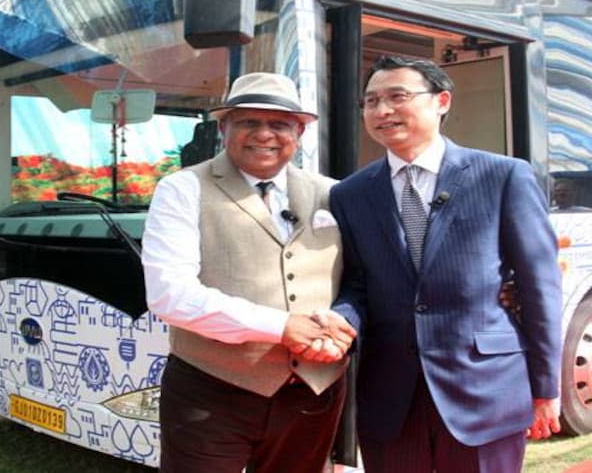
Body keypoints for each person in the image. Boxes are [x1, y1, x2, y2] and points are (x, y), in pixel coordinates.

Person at [325, 56, 563, 472]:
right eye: (371, 101)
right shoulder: (351, 193)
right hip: (391, 397)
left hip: (485, 389)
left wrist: (546, 388)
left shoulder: (503, 176)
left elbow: (539, 286)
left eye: (398, 96)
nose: (382, 111)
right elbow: (358, 284)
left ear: (442, 101)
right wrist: (339, 322)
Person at [141, 72, 356, 473]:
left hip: (314, 391)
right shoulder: (182, 189)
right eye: (248, 122)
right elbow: (169, 293)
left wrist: (340, 322)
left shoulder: (333, 192)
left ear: (300, 131)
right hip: (213, 391)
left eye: (279, 124)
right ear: (223, 127)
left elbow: (362, 279)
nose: (264, 134)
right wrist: (282, 326)